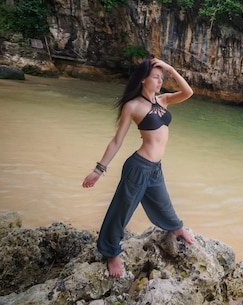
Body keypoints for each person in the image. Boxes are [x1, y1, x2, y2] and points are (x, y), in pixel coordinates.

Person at [82, 57, 195, 278]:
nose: (160, 81)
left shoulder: (163, 101)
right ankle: (111, 252)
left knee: (163, 202)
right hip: (138, 167)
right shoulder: (132, 106)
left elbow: (188, 92)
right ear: (143, 79)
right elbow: (117, 141)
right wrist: (98, 170)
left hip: (155, 168)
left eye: (162, 78)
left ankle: (176, 227)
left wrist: (170, 68)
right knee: (121, 211)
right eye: (156, 77)